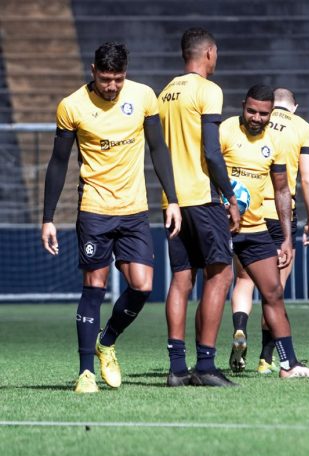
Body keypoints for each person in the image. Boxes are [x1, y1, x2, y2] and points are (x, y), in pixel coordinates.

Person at [41, 42, 181, 393]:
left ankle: (108, 341)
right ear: (93, 72)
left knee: (143, 286)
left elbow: (158, 149)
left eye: (118, 78)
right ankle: (86, 372)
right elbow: (58, 162)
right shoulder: (72, 106)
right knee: (94, 287)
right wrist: (47, 218)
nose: (112, 86)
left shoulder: (144, 97)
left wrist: (173, 200)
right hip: (95, 210)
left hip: (134, 210)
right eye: (106, 79)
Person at [221, 84, 309, 379]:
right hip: (242, 221)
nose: (256, 117)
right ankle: (256, 359)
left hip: (253, 220)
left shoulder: (272, 137)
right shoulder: (228, 129)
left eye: (262, 112)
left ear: (272, 110)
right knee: (256, 290)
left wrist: (286, 238)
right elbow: (306, 178)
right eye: (251, 111)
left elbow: (281, 186)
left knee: (258, 287)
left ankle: (274, 354)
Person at [158, 27, 241, 388]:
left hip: (172, 201)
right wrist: (230, 197)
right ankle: (206, 365)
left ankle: (177, 368)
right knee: (220, 275)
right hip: (203, 198)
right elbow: (211, 151)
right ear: (209, 53)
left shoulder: (165, 94)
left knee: (180, 279)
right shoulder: (208, 90)